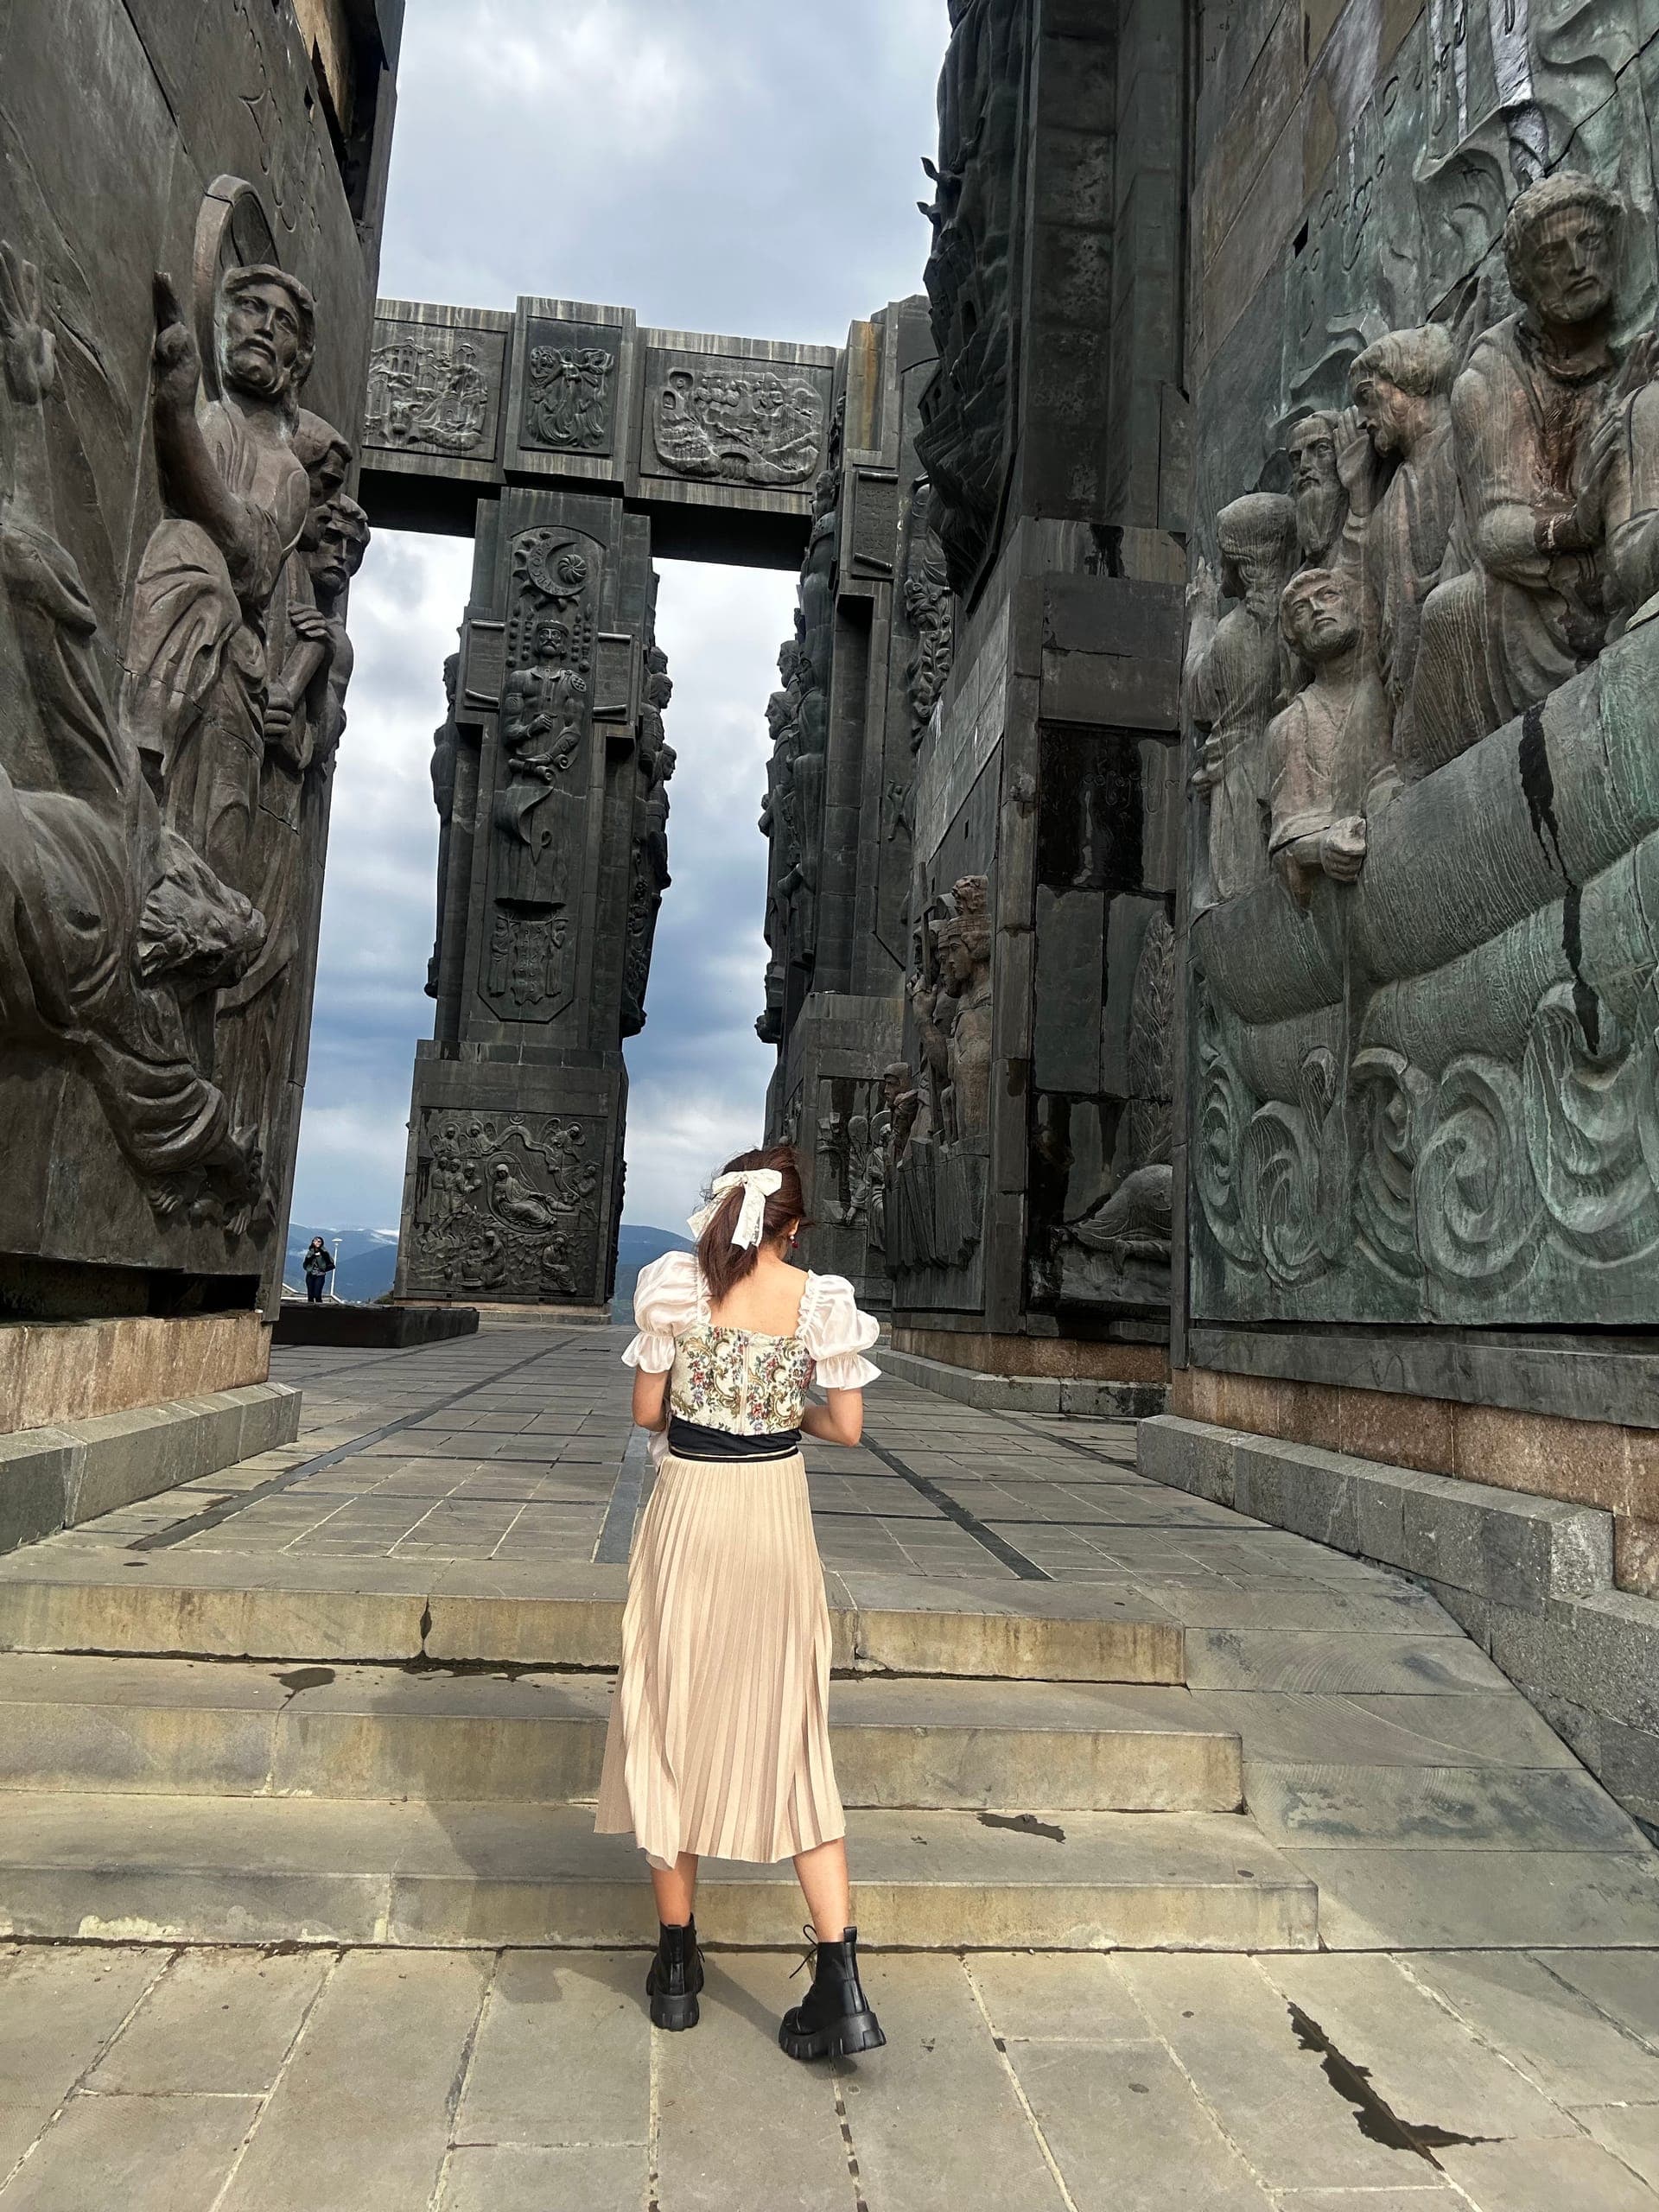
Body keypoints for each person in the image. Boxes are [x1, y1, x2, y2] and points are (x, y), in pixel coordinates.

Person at [594, 1144, 886, 2062]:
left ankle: (677, 1968)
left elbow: (648, 1412)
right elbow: (845, 1425)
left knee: (669, 1717)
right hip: (772, 1522)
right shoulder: (817, 1300)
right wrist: (779, 1403)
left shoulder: (677, 1289)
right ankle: (841, 1983)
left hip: (689, 1514)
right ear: (792, 1227)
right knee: (793, 1732)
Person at [302, 1236, 334, 1302]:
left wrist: (321, 1255)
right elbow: (306, 1262)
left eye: (319, 1241)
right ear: (313, 1242)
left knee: (317, 1294)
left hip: (320, 1275)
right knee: (310, 1295)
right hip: (310, 1274)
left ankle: (319, 1308)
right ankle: (310, 1309)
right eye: (316, 1241)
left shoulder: (324, 1252)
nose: (317, 1242)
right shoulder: (310, 1252)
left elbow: (330, 1261)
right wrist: (314, 1256)